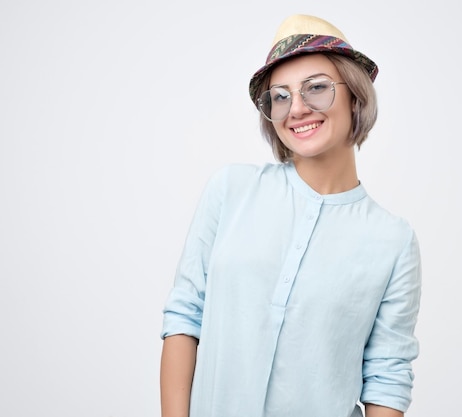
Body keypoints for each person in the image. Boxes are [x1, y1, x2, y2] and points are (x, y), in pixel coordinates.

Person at [160, 14, 422, 417]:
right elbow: (185, 317)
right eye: (280, 96)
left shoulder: (392, 240)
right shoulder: (230, 190)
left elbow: (387, 375)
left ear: (355, 95)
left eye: (316, 88)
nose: (296, 108)